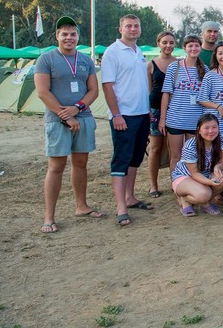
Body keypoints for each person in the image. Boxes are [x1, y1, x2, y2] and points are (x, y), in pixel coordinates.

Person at [34, 16, 103, 233]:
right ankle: (49, 217)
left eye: (73, 34)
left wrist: (78, 109)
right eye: (64, 34)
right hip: (57, 121)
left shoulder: (85, 60)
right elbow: (42, 92)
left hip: (82, 118)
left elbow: (93, 90)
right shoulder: (46, 59)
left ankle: (81, 206)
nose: (69, 38)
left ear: (78, 37)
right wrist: (66, 116)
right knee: (56, 167)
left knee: (81, 164)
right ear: (57, 36)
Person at [102, 14, 153, 226]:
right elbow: (107, 86)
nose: (133, 29)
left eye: (136, 26)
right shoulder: (112, 52)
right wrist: (116, 114)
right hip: (124, 116)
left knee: (135, 158)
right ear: (120, 29)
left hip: (141, 114)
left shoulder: (138, 51)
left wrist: (147, 111)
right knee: (121, 160)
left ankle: (130, 197)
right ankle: (120, 208)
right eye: (129, 26)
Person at [161, 35, 208, 174]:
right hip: (175, 119)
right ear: (184, 48)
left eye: (196, 45)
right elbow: (166, 94)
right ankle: (176, 183)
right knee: (176, 156)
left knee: (192, 156)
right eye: (190, 46)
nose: (193, 48)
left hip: (196, 120)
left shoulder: (205, 69)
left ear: (200, 48)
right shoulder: (174, 67)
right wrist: (162, 119)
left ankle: (190, 182)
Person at [171, 114, 223, 217]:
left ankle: (204, 202)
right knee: (204, 194)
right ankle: (185, 199)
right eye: (206, 128)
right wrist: (210, 182)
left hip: (206, 173)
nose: (211, 131)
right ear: (199, 130)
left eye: (214, 127)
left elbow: (221, 162)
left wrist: (217, 167)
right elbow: (194, 173)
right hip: (186, 176)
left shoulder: (222, 138)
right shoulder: (190, 146)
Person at [146, 30, 178, 198]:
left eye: (171, 42)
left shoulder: (179, 64)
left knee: (174, 149)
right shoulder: (151, 65)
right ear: (158, 43)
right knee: (155, 147)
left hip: (175, 110)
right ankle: (153, 185)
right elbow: (149, 90)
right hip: (156, 109)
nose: (168, 45)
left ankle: (176, 182)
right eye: (164, 42)